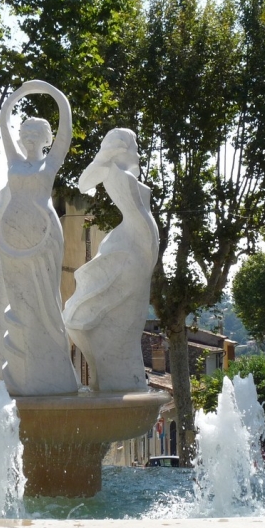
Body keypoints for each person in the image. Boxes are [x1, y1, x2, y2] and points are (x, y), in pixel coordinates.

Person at [0, 80, 79, 396]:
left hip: (43, 238)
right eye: (26, 134)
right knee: (18, 301)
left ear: (47, 140)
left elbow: (66, 132)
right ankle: (19, 369)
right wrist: (12, 101)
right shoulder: (14, 162)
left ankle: (49, 367)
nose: (30, 139)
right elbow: (4, 128)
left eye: (37, 135)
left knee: (45, 301)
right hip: (12, 240)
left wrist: (56, 96)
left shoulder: (50, 162)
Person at [62, 128, 159, 392]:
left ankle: (118, 376)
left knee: (127, 316)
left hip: (134, 245)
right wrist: (104, 156)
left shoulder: (125, 177)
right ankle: (115, 377)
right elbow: (84, 183)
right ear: (123, 147)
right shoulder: (119, 174)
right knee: (113, 314)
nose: (137, 150)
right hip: (130, 245)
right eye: (133, 144)